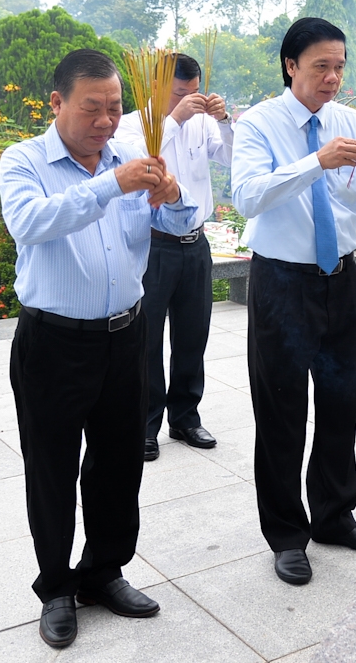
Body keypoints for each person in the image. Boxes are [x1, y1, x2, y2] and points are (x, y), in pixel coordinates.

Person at [0, 49, 197, 649]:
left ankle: (103, 571)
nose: (107, 121)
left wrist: (172, 193)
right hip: (54, 341)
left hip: (124, 335)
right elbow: (32, 223)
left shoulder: (129, 161)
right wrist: (112, 185)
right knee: (53, 468)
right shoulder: (25, 161)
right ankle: (56, 587)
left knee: (118, 463)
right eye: (93, 108)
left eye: (115, 108)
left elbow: (172, 221)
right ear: (57, 103)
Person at [230, 17, 356, 586]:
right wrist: (316, 162)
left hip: (339, 278)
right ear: (290, 66)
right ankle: (286, 533)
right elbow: (246, 197)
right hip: (282, 281)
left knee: (340, 401)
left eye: (338, 67)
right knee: (282, 410)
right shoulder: (259, 122)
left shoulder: (352, 119)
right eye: (320, 67)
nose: (332, 78)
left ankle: (335, 514)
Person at [114, 53, 232, 462]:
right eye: (181, 92)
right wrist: (176, 119)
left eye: (195, 91)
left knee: (192, 333)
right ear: (159, 89)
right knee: (145, 339)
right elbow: (140, 159)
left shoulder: (202, 122)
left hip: (195, 242)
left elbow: (232, 158)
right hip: (153, 243)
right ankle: (145, 424)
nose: (190, 98)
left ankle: (185, 416)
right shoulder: (132, 123)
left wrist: (224, 120)